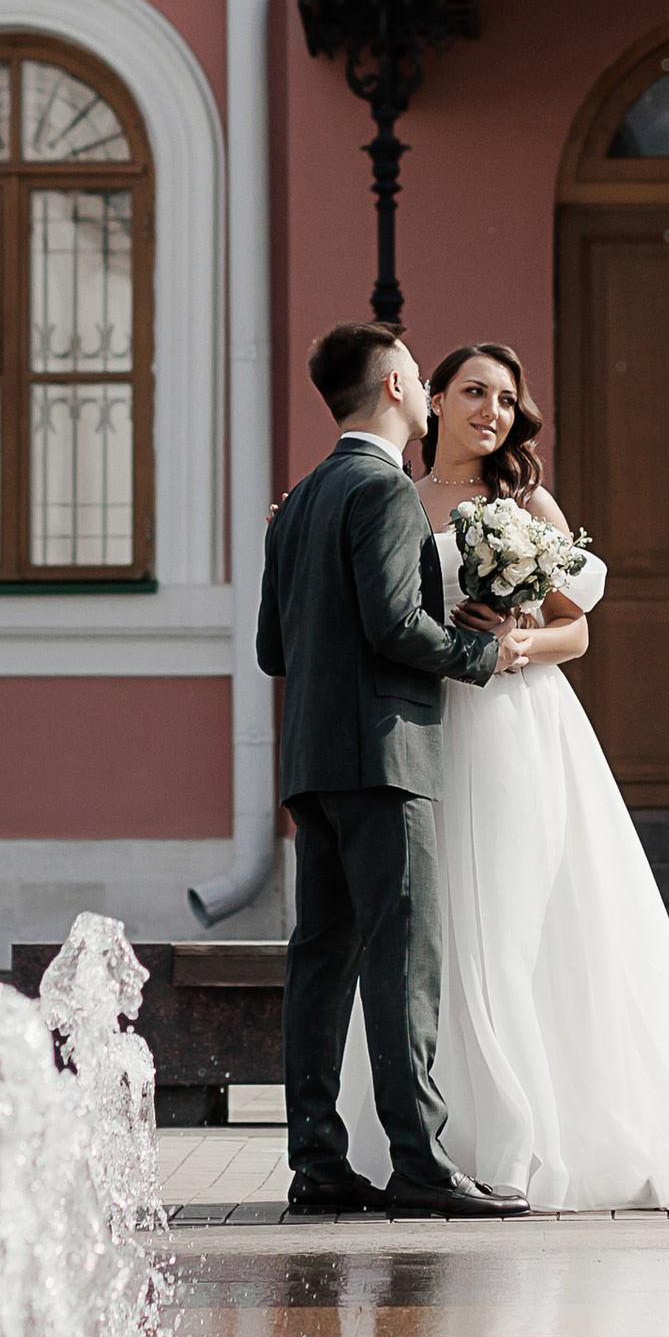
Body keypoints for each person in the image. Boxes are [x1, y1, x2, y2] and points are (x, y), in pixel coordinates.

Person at [337, 340, 669, 1215]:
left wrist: (513, 645)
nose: (490, 412)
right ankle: (431, 1138)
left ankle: (525, 1137)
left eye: (505, 399)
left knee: (506, 917)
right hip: (429, 727)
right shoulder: (397, 498)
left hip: (514, 727)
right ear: (432, 397)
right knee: (434, 922)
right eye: (472, 392)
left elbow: (577, 629)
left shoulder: (522, 500)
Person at [255, 320, 530, 1219]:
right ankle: (420, 1162)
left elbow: (271, 648)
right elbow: (395, 627)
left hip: (312, 761)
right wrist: (483, 657)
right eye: (415, 374)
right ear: (400, 388)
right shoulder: (384, 491)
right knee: (405, 962)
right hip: (386, 757)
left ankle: (318, 1162)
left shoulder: (296, 503)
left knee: (321, 962)